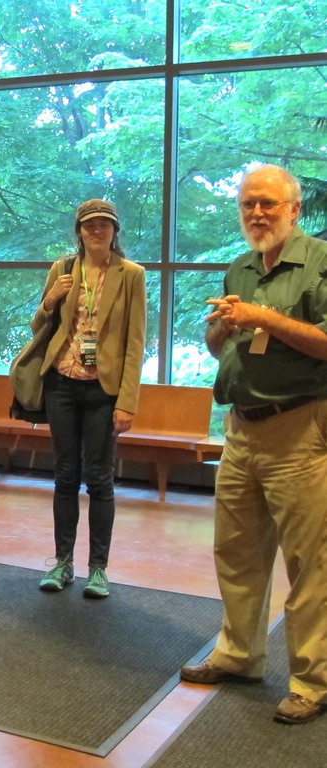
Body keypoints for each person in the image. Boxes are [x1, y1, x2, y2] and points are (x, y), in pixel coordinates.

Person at [180, 164, 327, 725]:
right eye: (248, 204)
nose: (257, 213)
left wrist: (263, 316)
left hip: (300, 430)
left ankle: (313, 681)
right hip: (240, 429)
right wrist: (222, 327)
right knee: (237, 551)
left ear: (294, 209)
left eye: (268, 203)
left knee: (310, 564)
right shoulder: (240, 267)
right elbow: (218, 345)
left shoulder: (319, 261)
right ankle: (239, 655)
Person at [33, 199, 146, 598]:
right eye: (89, 225)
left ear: (115, 231)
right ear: (79, 231)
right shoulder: (63, 270)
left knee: (99, 478)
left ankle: (98, 569)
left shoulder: (132, 275)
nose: (97, 231)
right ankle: (62, 562)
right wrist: (51, 299)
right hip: (62, 383)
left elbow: (136, 343)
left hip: (104, 389)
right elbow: (37, 324)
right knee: (65, 474)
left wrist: (127, 401)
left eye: (104, 224)